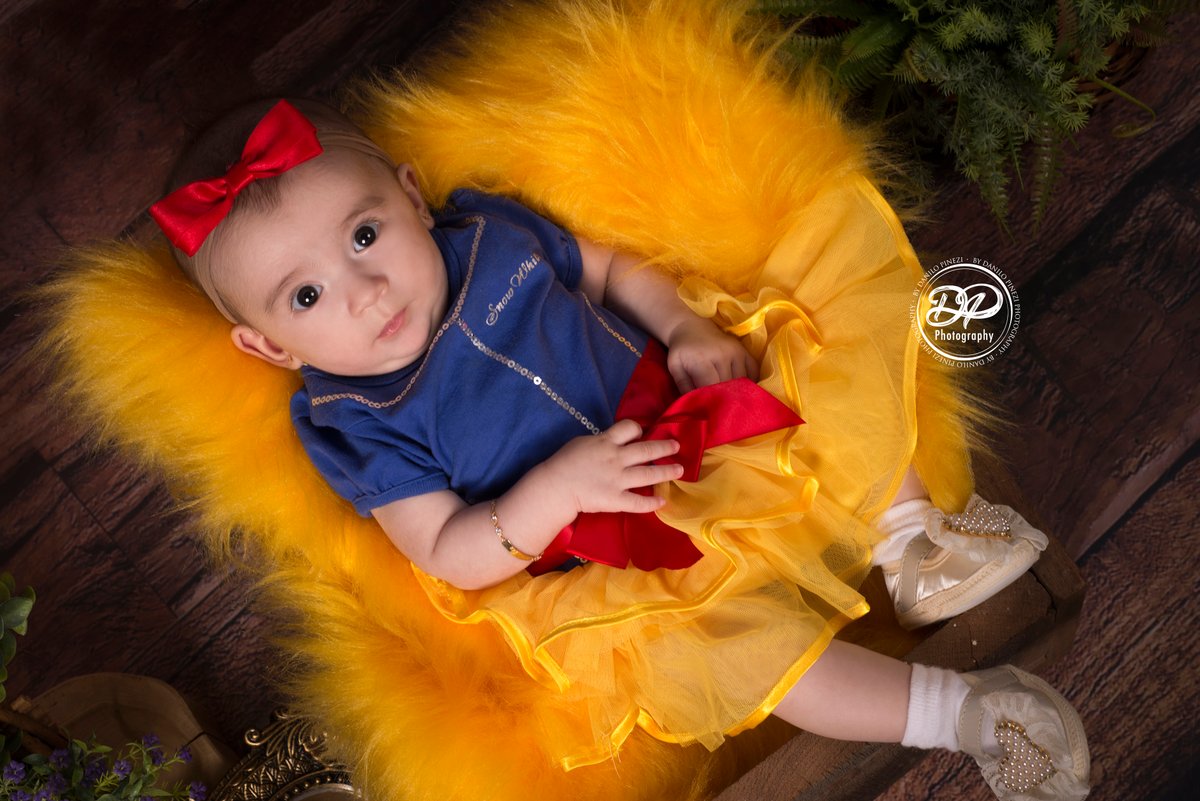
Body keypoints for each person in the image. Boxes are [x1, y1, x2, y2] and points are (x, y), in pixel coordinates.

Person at [148, 97, 1090, 800]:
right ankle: (962, 710)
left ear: (408, 194)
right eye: (304, 298)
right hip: (612, 542)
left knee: (819, 383)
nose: (362, 290)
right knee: (749, 658)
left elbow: (602, 266)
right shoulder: (355, 423)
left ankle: (913, 539)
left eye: (364, 235)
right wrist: (555, 490)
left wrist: (678, 322)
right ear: (268, 347)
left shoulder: (482, 233)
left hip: (684, 405)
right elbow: (447, 551)